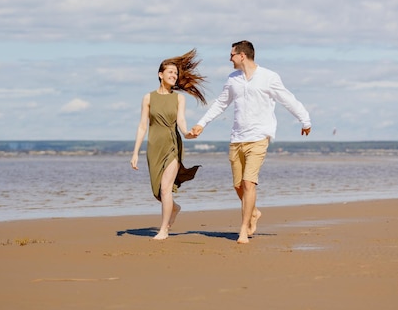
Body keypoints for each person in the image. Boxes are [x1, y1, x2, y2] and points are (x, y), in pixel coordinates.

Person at [188, 40, 311, 244]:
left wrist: (304, 119)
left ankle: (244, 230)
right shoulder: (233, 79)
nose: (230, 58)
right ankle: (253, 212)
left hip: (259, 137)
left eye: (232, 55)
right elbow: (220, 104)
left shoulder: (269, 77)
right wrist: (201, 124)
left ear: (242, 55)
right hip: (237, 138)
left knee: (248, 183)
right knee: (238, 186)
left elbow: (287, 98)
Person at [131, 49, 207, 240]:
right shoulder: (148, 98)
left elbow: (181, 122)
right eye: (170, 72)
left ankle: (163, 230)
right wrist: (135, 153)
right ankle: (175, 208)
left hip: (172, 146)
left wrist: (188, 134)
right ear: (160, 75)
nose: (174, 75)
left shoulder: (179, 98)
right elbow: (142, 126)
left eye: (176, 73)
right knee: (158, 192)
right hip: (154, 147)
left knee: (166, 189)